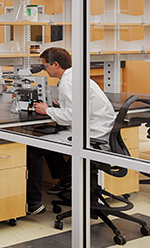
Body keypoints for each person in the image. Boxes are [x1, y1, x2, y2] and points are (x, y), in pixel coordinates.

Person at [26, 47, 116, 215]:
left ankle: (34, 203)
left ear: (56, 64)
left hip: (89, 135)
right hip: (97, 130)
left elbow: (70, 117)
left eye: (45, 66)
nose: (44, 69)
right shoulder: (76, 76)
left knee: (34, 147)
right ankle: (66, 178)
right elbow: (77, 108)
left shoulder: (67, 82)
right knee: (48, 139)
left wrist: (46, 110)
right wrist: (61, 107)